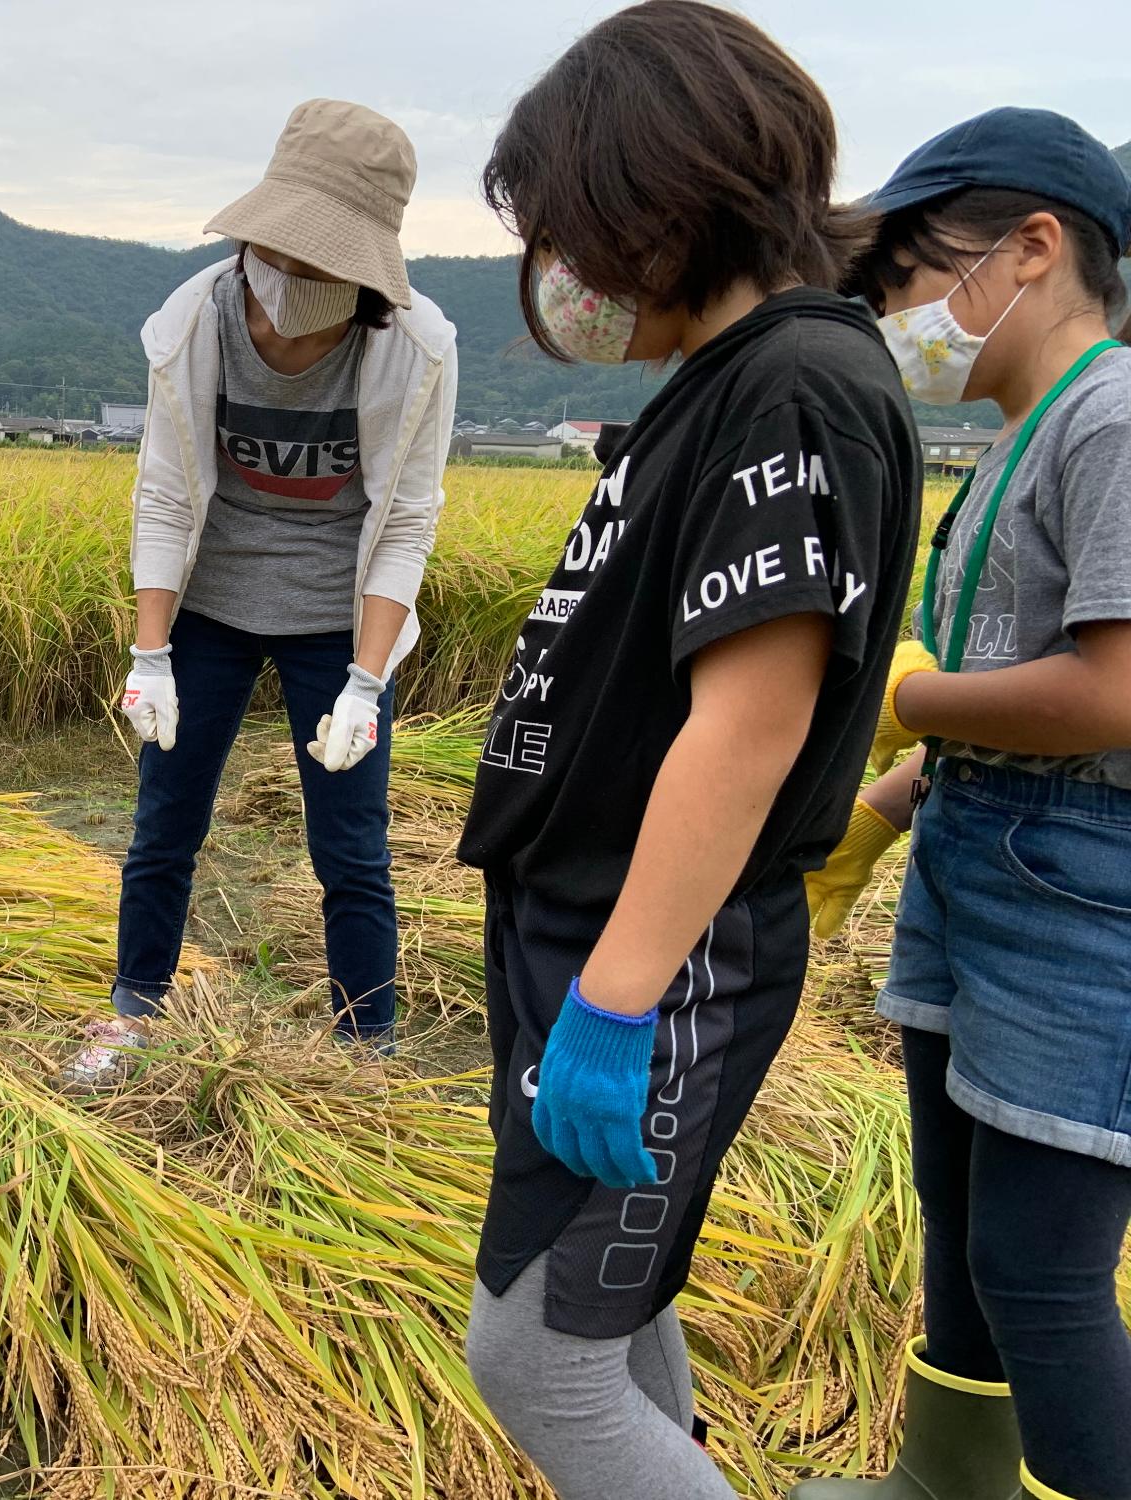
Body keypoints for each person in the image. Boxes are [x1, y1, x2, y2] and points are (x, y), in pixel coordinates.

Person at [449, 5, 921, 1497]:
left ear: (656, 198)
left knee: (532, 1358)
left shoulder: (796, 387)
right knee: (607, 1314)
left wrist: (618, 999)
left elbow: (750, 720)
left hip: (658, 956)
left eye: (571, 227)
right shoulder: (720, 390)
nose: (565, 272)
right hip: (588, 933)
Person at [796, 110, 1131, 1500]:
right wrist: (880, 811)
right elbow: (1002, 680)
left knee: (1042, 1269)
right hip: (975, 858)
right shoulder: (1014, 436)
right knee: (958, 1216)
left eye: (918, 273)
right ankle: (949, 1481)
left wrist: (906, 695)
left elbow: (1115, 696)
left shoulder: (1114, 417)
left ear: (1036, 248)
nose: (905, 316)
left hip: (1082, 892)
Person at [62, 97, 458, 1089]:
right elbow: (162, 489)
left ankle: (365, 1044)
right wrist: (148, 653)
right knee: (164, 823)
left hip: (338, 616)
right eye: (281, 254)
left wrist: (366, 683)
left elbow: (406, 517)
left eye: (326, 268)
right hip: (208, 608)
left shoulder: (414, 347)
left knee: (351, 846)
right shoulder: (193, 320)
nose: (291, 283)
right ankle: (132, 1011)